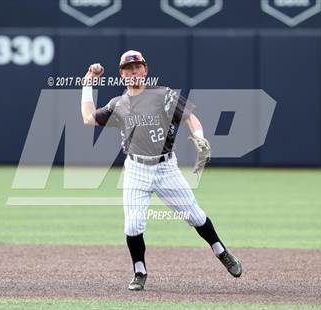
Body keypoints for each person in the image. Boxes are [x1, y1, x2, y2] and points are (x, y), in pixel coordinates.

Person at [80, 50, 242, 291]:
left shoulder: (164, 95)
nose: (134, 72)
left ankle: (221, 251)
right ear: (122, 74)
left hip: (166, 168)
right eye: (128, 69)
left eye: (138, 67)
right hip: (136, 169)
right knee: (133, 226)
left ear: (145, 70)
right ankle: (139, 271)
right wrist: (87, 84)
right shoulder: (118, 104)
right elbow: (87, 118)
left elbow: (191, 118)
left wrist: (199, 137)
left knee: (195, 216)